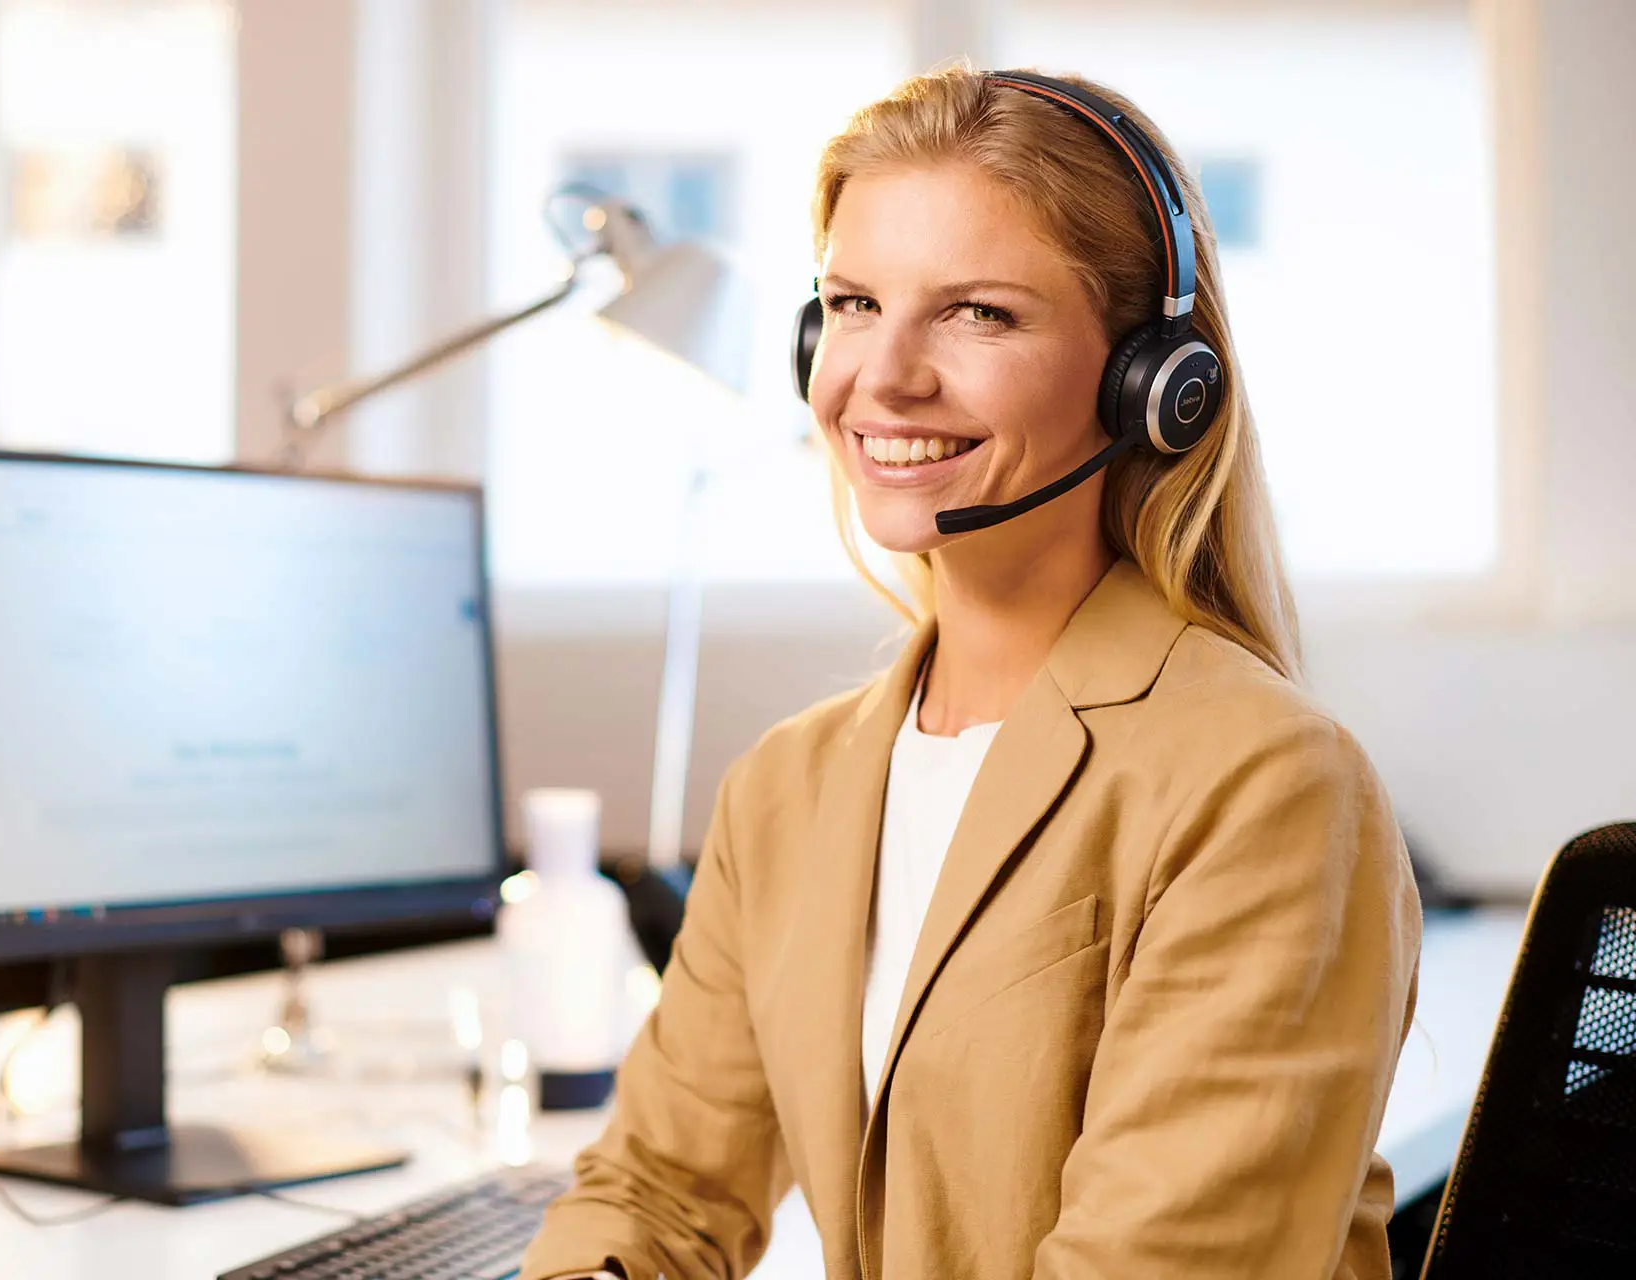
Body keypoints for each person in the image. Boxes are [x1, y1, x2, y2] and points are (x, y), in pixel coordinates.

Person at [520, 64, 1422, 1280]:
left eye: (977, 313)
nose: (880, 376)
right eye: (850, 304)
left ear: (1149, 381)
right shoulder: (789, 786)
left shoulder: (1263, 786)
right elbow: (658, 1191)